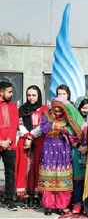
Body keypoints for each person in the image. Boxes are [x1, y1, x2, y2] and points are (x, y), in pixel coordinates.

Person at [38, 97, 84, 216]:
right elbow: (43, 128)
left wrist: (65, 130)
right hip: (49, 147)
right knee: (49, 174)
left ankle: (61, 205)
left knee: (61, 175)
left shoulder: (67, 117)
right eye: (55, 110)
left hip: (63, 147)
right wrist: (54, 126)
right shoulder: (45, 115)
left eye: (60, 111)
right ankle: (48, 205)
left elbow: (74, 130)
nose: (58, 113)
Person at [15, 85, 48, 209]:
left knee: (37, 166)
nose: (31, 98)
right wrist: (27, 137)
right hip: (24, 140)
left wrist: (31, 136)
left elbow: (42, 126)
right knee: (25, 167)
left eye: (34, 95)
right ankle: (26, 195)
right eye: (29, 95)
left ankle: (36, 195)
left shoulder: (44, 109)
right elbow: (20, 124)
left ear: (38, 95)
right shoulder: (22, 109)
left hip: (39, 141)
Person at [71, 96, 88, 214]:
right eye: (84, 108)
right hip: (76, 151)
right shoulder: (72, 119)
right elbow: (69, 134)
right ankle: (77, 204)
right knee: (77, 180)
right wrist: (79, 146)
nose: (86, 110)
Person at [0, 81, 19, 211]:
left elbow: (14, 125)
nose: (12, 94)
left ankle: (9, 200)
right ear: (1, 92)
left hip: (10, 145)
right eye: (9, 91)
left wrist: (9, 141)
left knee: (10, 174)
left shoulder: (13, 107)